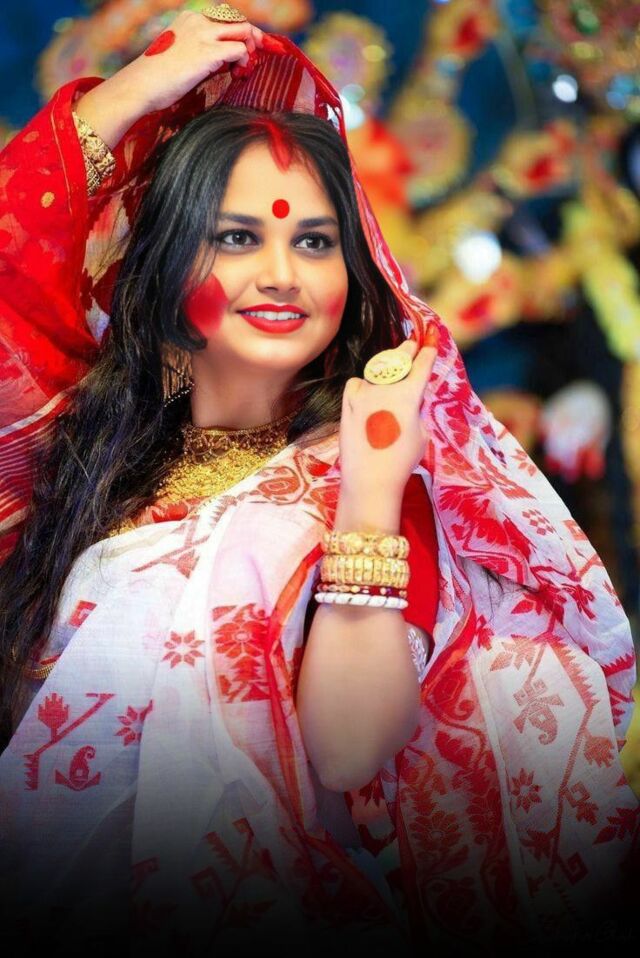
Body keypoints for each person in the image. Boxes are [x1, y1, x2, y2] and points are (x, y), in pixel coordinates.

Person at [0, 6, 638, 955]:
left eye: (313, 242)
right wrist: (132, 92)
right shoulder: (77, 454)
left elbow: (349, 749)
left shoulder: (366, 466)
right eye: (235, 238)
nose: (281, 275)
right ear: (165, 258)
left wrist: (373, 491)